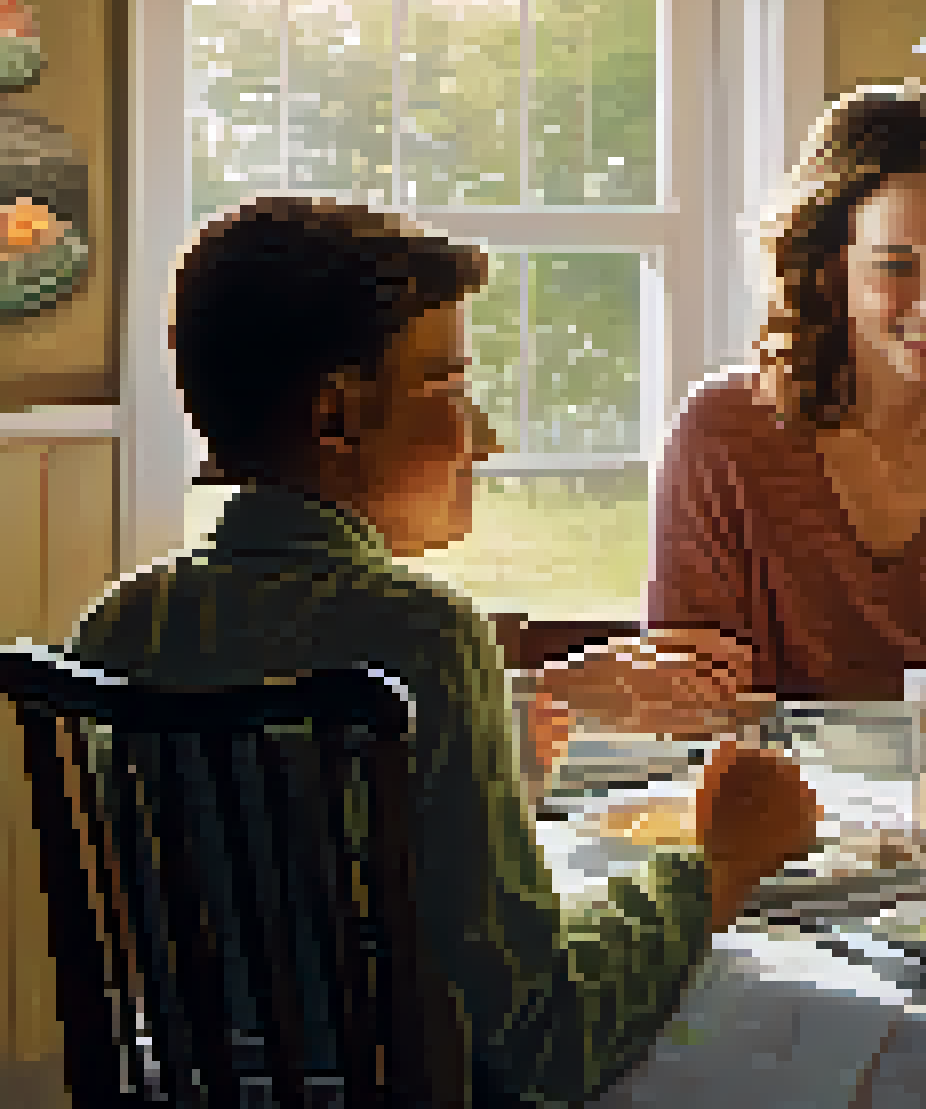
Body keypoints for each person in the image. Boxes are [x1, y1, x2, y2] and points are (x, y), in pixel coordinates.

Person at [69, 196, 825, 1106]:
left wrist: (515, 707)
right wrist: (719, 861)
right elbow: (544, 1042)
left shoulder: (123, 625)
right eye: (450, 386)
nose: (488, 437)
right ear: (337, 416)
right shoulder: (424, 636)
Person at [535, 83, 926, 732]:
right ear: (829, 268)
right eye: (896, 265)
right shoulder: (721, 433)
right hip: (766, 802)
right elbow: (694, 701)